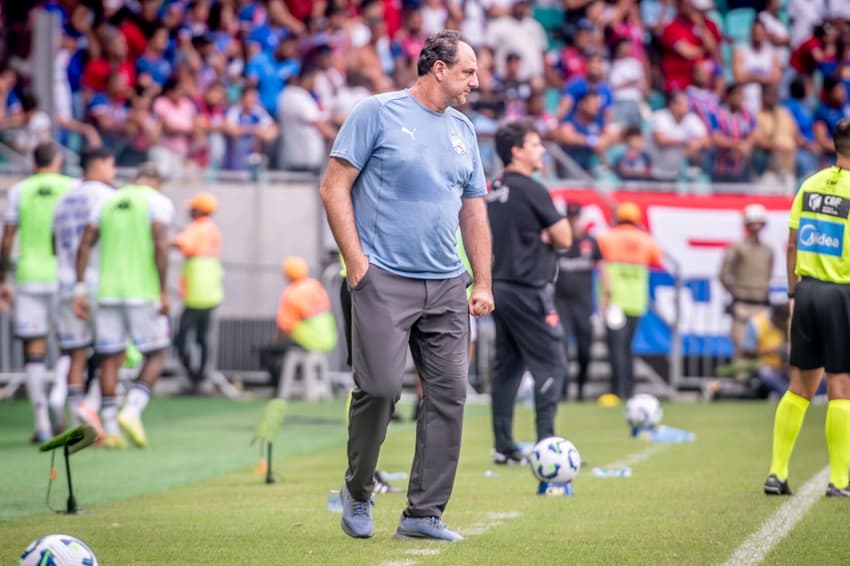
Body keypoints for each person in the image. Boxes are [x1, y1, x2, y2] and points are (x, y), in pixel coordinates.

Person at [319, 30, 494, 542]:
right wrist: (356, 263)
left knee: (449, 396)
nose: (475, 82)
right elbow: (334, 187)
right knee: (376, 390)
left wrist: (481, 280)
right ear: (437, 69)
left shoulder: (464, 129)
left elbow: (473, 208)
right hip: (383, 278)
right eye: (467, 72)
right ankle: (357, 489)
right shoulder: (376, 112)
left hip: (445, 284)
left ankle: (423, 513)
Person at [764, 117, 850, 498]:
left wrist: (794, 294)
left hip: (808, 291)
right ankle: (841, 481)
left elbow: (792, 244)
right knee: (842, 388)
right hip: (841, 293)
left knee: (799, 387)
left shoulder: (810, 184)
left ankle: (776, 473)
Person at [487, 120, 572, 465]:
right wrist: (548, 235)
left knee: (508, 368)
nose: (541, 150)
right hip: (528, 289)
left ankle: (504, 448)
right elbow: (565, 238)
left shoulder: (493, 188)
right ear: (518, 151)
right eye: (535, 144)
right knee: (552, 361)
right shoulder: (532, 188)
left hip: (500, 286)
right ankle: (547, 447)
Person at [74, 162, 174, 449]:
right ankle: (132, 409)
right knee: (156, 353)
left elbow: (84, 245)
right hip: (142, 292)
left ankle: (109, 427)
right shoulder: (157, 202)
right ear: (156, 181)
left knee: (110, 357)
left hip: (107, 293)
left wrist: (80, 288)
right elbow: (161, 245)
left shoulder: (107, 201)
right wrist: (162, 290)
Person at [0, 142, 75, 443]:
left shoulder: (20, 191)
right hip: (64, 275)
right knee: (71, 344)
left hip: (28, 275)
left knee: (34, 349)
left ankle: (42, 422)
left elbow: (7, 240)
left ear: (34, 161)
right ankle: (58, 395)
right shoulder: (73, 187)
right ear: (58, 161)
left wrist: (3, 279)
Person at [53, 146, 116, 437]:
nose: (113, 172)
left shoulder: (64, 198)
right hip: (98, 283)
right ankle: (93, 407)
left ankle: (78, 414)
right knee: (111, 353)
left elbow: (54, 242)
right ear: (100, 164)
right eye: (112, 165)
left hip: (65, 282)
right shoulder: (106, 196)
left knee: (76, 352)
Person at [597, 202, 664, 400]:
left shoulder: (607, 237)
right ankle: (629, 389)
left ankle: (618, 390)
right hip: (636, 301)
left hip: (615, 300)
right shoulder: (646, 240)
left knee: (615, 348)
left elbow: (600, 262)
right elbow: (657, 259)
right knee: (627, 348)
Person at [554, 202, 608, 401]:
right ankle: (564, 392)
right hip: (561, 304)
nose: (573, 221)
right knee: (563, 347)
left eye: (575, 218)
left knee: (585, 349)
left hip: (584, 304)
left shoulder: (591, 242)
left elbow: (602, 267)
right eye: (570, 217)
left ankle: (581, 389)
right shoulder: (558, 243)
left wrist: (606, 294)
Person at [173, 192, 224, 393]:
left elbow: (181, 244)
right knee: (203, 339)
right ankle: (201, 377)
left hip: (196, 295)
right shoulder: (213, 229)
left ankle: (195, 377)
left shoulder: (198, 228)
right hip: (211, 293)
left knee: (181, 339)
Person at [719, 204, 774, 375]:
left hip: (762, 305)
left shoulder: (768, 250)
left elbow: (769, 273)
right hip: (742, 305)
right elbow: (723, 274)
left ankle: (761, 383)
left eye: (759, 222)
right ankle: (741, 383)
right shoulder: (737, 248)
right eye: (752, 222)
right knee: (741, 346)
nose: (756, 226)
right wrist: (736, 293)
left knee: (764, 347)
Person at [276, 256, 337, 355]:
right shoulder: (316, 286)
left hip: (306, 341)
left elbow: (284, 326)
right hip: (328, 338)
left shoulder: (291, 294)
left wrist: (276, 343)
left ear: (287, 275)